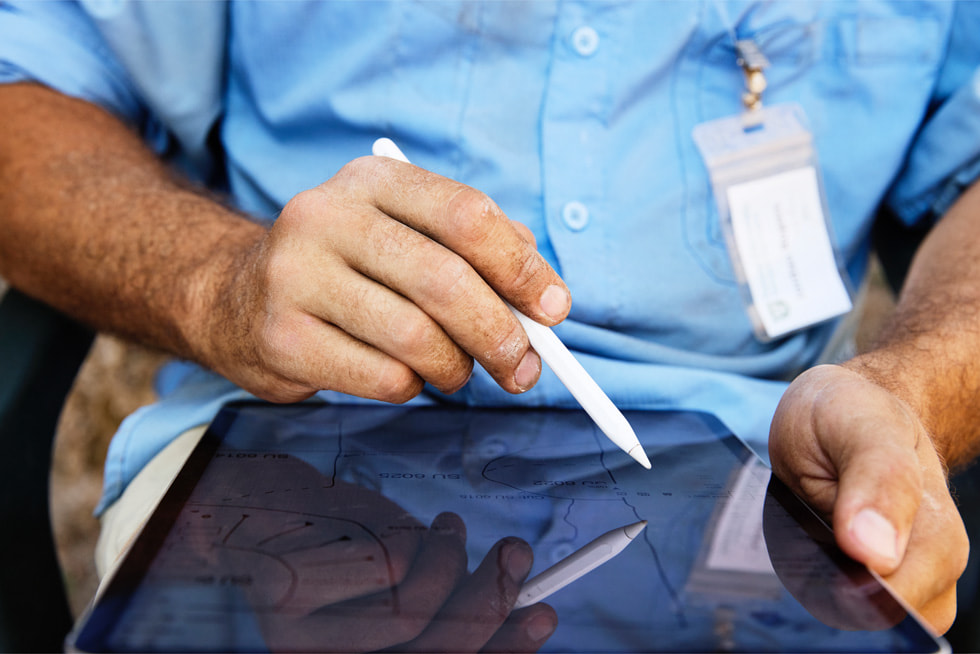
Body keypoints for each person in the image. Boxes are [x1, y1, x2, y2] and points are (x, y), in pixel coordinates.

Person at [0, 0, 977, 648]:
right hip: (292, 452)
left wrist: (911, 390)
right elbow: (25, 90)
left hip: (770, 485)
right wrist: (221, 283)